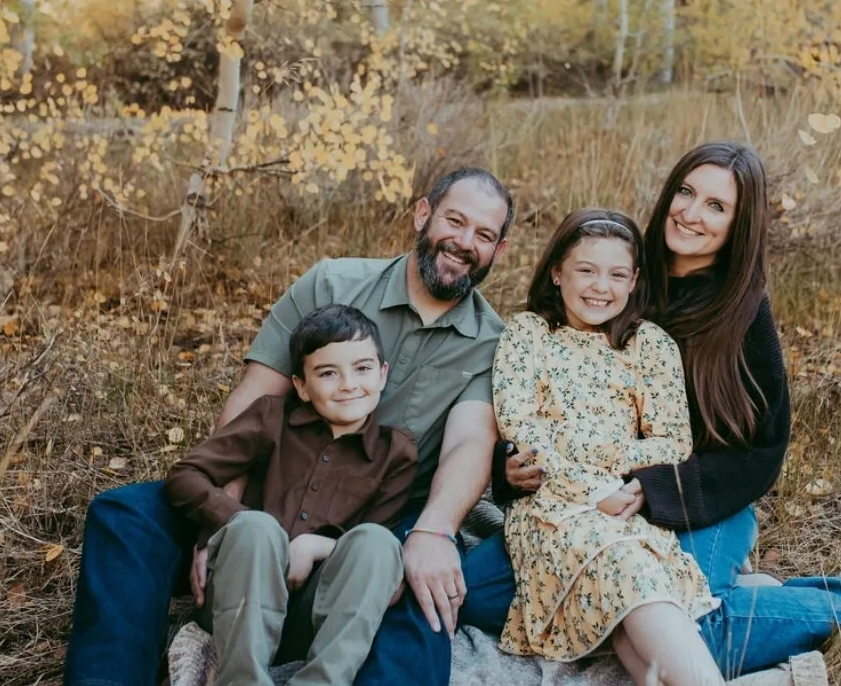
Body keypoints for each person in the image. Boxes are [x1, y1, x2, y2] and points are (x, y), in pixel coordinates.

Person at [473, 141, 841, 677]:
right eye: (686, 192)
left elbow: (763, 452)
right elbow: (554, 401)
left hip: (702, 500)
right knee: (484, 598)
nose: (691, 213)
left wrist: (658, 488)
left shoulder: (743, 312)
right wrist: (512, 470)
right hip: (584, 503)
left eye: (716, 206)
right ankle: (757, 596)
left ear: (739, 223)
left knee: (690, 631)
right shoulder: (622, 271)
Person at [64, 167, 513, 686]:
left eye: (484, 234)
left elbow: (469, 442)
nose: (464, 242)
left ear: (499, 250)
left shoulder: (493, 343)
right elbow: (256, 397)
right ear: (422, 214)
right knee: (126, 516)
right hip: (271, 483)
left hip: (380, 514)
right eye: (454, 221)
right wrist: (224, 519)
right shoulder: (331, 284)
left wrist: (434, 532)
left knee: (424, 589)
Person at [493, 209, 723, 685]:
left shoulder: (650, 345)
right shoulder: (528, 334)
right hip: (551, 508)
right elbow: (522, 428)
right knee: (625, 572)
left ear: (634, 280)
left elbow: (673, 442)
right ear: (557, 272)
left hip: (622, 503)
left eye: (617, 274)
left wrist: (611, 468)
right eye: (586, 270)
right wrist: (591, 488)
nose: (601, 287)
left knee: (629, 612)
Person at [163, 304, 415, 686]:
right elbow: (185, 476)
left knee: (379, 543)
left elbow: (376, 556)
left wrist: (317, 546)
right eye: (328, 373)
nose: (348, 384)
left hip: (313, 617)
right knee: (257, 529)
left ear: (382, 375)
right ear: (301, 386)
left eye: (362, 369)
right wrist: (241, 522)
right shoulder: (271, 417)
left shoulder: (395, 453)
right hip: (238, 601)